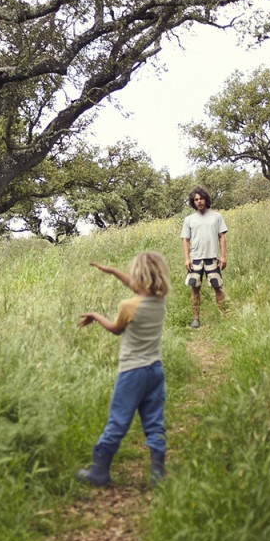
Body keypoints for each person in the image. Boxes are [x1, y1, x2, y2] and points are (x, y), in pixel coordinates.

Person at [75, 252, 171, 488]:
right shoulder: (160, 302)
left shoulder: (128, 306)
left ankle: (99, 471)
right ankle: (157, 472)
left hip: (132, 372)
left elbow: (116, 329)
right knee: (154, 421)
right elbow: (138, 288)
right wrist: (112, 271)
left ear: (138, 276)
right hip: (155, 370)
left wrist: (95, 316)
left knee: (118, 420)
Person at [180, 186, 227, 329]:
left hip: (212, 258)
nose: (199, 201)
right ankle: (196, 319)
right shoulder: (189, 220)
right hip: (195, 260)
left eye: (201, 198)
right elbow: (185, 240)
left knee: (218, 287)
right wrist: (187, 259)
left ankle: (224, 317)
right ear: (193, 202)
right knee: (195, 288)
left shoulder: (216, 217)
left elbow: (222, 236)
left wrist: (223, 256)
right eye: (196, 200)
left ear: (206, 199)